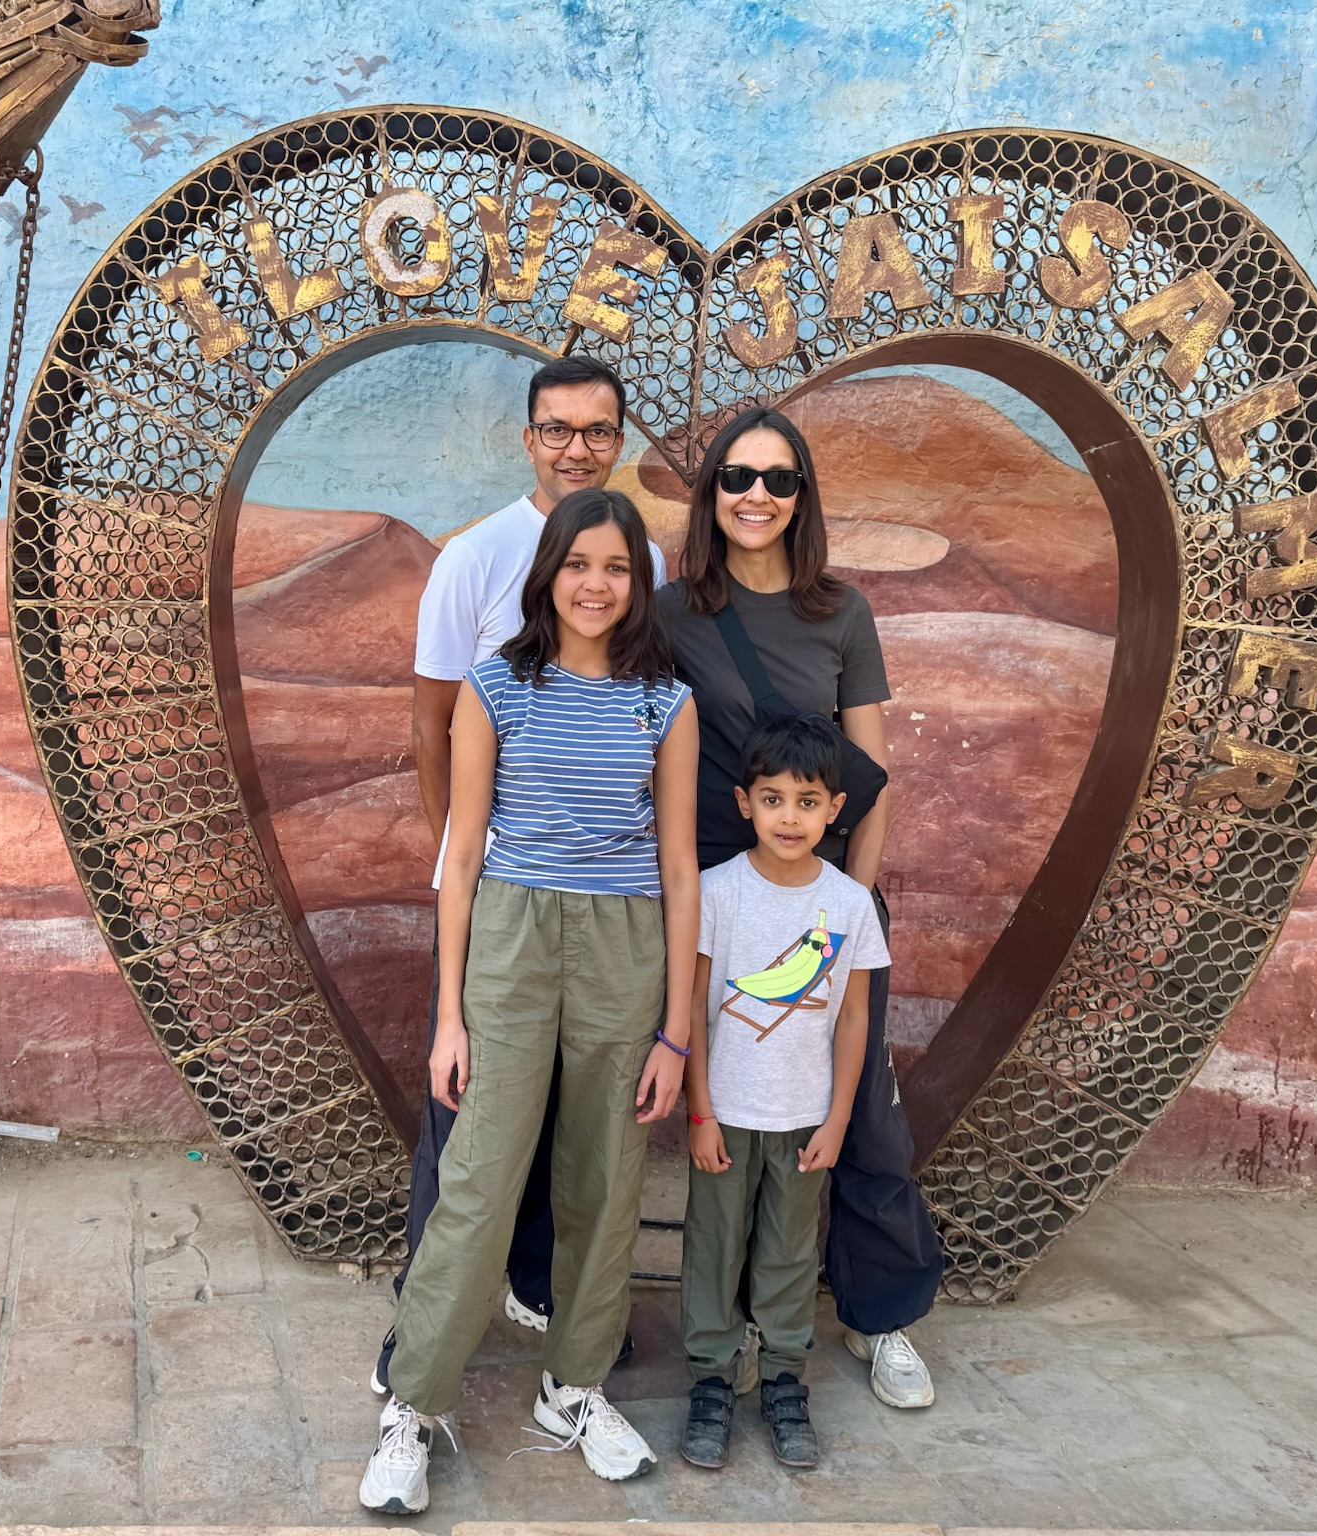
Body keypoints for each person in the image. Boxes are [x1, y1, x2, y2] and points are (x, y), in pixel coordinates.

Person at [360, 489, 699, 1515]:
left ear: (638, 583)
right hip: (509, 940)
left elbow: (679, 867)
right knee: (479, 1174)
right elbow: (462, 853)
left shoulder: (664, 703)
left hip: (625, 946)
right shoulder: (495, 687)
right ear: (548, 573)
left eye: (617, 568)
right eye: (578, 564)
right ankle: (414, 1403)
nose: (596, 585)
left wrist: (676, 1032)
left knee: (606, 1174)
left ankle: (574, 1386)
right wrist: (450, 1017)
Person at [375, 356, 663, 1393]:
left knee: (575, 1121)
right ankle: (419, 1327)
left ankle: (544, 1293)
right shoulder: (475, 557)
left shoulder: (641, 557)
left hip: (606, 905)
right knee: (467, 1123)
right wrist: (461, 859)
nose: (576, 448)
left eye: (597, 430)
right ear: (527, 437)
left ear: (619, 439)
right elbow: (432, 722)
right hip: (501, 893)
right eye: (557, 429)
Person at [654, 406, 945, 1411]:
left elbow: (871, 777)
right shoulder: (672, 613)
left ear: (802, 497)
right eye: (737, 476)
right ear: (710, 492)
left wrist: (845, 904)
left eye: (779, 480)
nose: (756, 496)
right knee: (702, 1106)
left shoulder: (841, 614)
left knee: (859, 1115)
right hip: (707, 900)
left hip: (819, 902)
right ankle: (688, 1327)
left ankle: (879, 1314)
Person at [680, 715, 891, 1469]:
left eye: (808, 802)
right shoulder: (716, 893)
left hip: (806, 1117)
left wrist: (838, 1118)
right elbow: (694, 1007)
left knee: (791, 1253)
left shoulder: (849, 904)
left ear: (835, 808)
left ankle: (783, 1380)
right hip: (726, 1115)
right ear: (745, 803)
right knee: (714, 1247)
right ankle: (710, 1380)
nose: (790, 818)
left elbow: (855, 1016)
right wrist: (700, 1112)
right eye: (773, 799)